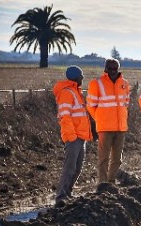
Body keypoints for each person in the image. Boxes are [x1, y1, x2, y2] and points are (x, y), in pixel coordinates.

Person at [52, 65, 93, 204]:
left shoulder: (75, 91)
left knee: (77, 168)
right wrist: (72, 136)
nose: (83, 78)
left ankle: (68, 194)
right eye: (81, 76)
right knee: (70, 168)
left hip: (80, 137)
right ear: (77, 77)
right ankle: (61, 197)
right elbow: (65, 116)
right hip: (74, 137)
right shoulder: (67, 93)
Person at [86, 58, 130, 184]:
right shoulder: (96, 83)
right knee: (103, 158)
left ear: (118, 69)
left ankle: (111, 182)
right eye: (110, 68)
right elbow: (90, 105)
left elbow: (125, 104)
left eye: (115, 68)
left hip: (120, 127)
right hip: (104, 127)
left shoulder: (125, 84)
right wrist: (100, 119)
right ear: (105, 68)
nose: (112, 71)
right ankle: (102, 183)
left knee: (117, 159)